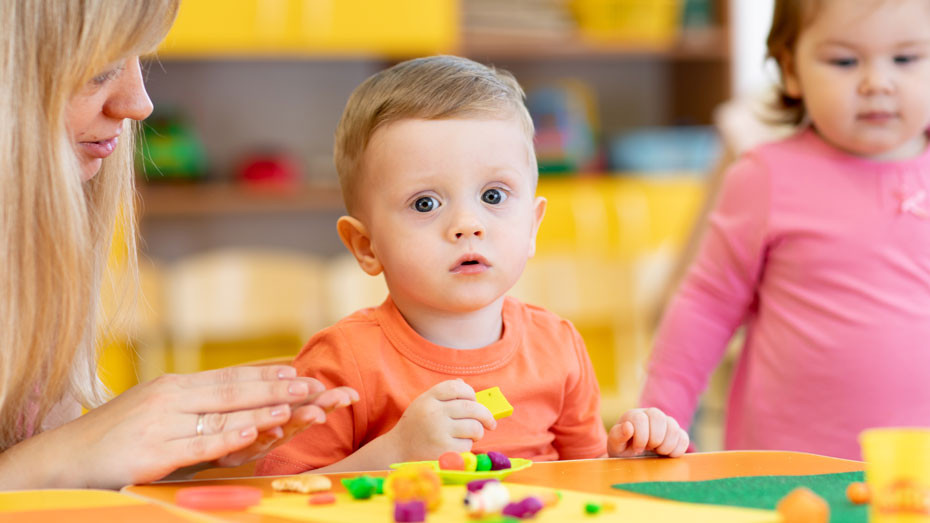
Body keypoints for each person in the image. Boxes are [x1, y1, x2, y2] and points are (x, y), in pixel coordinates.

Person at [257, 56, 688, 475]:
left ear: (533, 225)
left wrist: (630, 461)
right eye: (425, 203)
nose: (468, 225)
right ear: (366, 246)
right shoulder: (341, 362)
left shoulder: (558, 346)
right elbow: (280, 492)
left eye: (494, 196)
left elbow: (586, 478)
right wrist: (394, 452)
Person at [0, 1, 358, 490]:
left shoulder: (32, 265)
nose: (139, 103)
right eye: (101, 70)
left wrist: (183, 446)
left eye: (138, 61)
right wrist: (71, 450)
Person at [640, 0, 930, 460]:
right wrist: (661, 417)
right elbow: (706, 306)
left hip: (915, 477)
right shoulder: (766, 177)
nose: (878, 82)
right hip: (787, 466)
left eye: (906, 58)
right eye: (844, 61)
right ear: (791, 71)